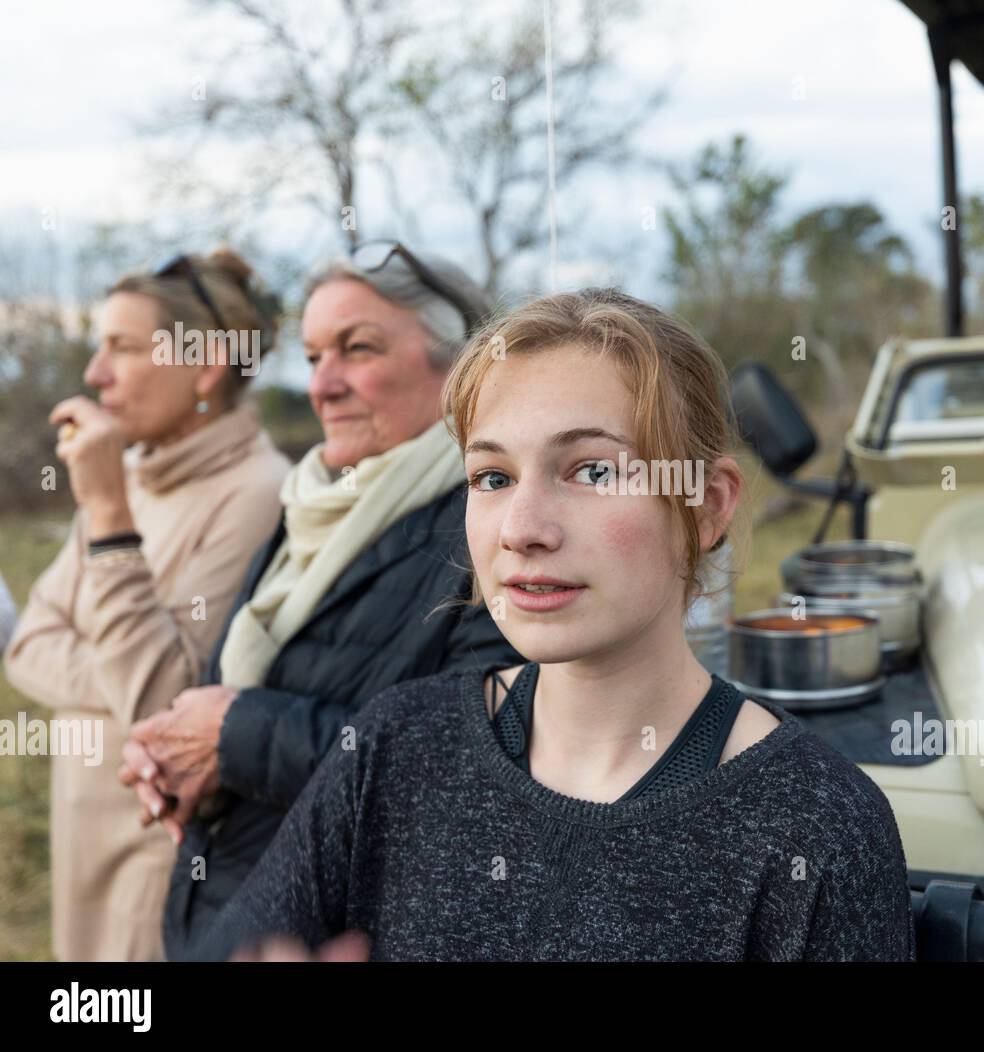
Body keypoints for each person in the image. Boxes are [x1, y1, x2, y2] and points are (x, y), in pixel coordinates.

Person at [187, 287, 917, 962]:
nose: (522, 529)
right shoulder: (392, 752)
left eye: (592, 471)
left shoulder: (816, 825)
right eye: (493, 478)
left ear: (707, 506)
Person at [117, 243, 523, 960]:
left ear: (459, 369)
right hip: (223, 912)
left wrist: (233, 737)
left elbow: (470, 771)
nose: (323, 385)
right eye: (310, 358)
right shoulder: (313, 505)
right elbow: (239, 691)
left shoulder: (495, 527)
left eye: (356, 349)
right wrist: (177, 759)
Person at [3, 249, 289, 961]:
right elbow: (27, 645)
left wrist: (106, 513)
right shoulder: (128, 471)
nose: (95, 375)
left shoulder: (257, 493)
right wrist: (128, 675)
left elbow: (166, 694)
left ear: (207, 364)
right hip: (81, 841)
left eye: (123, 348)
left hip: (161, 861)